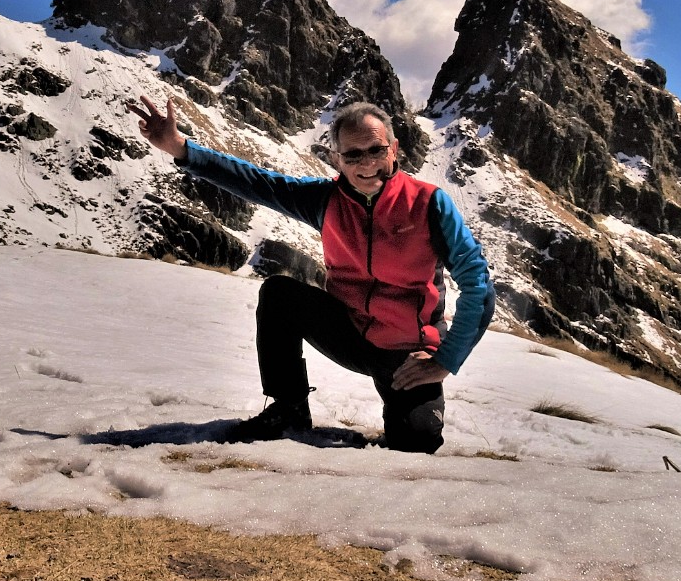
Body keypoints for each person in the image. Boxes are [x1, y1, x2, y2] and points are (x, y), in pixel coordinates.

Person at [127, 94, 495, 453]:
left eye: (376, 150)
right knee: (279, 295)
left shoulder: (430, 204)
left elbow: (477, 285)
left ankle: (406, 418)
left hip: (406, 352)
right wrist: (180, 147)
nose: (367, 164)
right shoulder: (325, 199)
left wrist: (445, 360)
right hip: (349, 331)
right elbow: (256, 182)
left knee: (417, 443)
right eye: (353, 154)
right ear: (336, 159)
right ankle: (288, 410)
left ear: (393, 148)